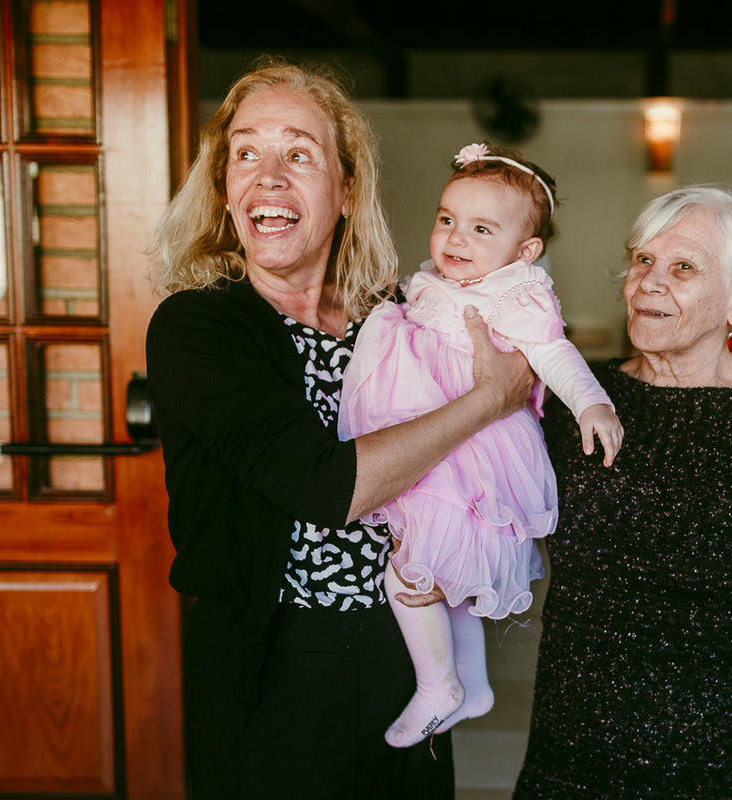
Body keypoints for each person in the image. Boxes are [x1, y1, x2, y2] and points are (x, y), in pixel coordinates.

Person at [145, 58, 535, 799]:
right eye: (247, 153)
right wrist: (487, 398)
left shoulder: (397, 313)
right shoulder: (198, 326)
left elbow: (501, 426)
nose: (268, 176)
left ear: (347, 189)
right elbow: (326, 488)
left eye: (299, 153)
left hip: (410, 658)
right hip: (276, 666)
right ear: (225, 190)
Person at [513, 185, 732, 799]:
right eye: (642, 260)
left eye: (684, 267)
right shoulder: (574, 404)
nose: (648, 283)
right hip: (570, 750)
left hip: (713, 763)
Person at [339, 142, 624, 748]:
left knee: (409, 575)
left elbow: (554, 353)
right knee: (451, 578)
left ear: (525, 252)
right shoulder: (440, 281)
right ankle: (474, 681)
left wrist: (591, 401)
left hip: (471, 455)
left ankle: (438, 683)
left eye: (480, 228)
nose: (455, 238)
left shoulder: (514, 296)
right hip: (429, 437)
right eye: (447, 219)